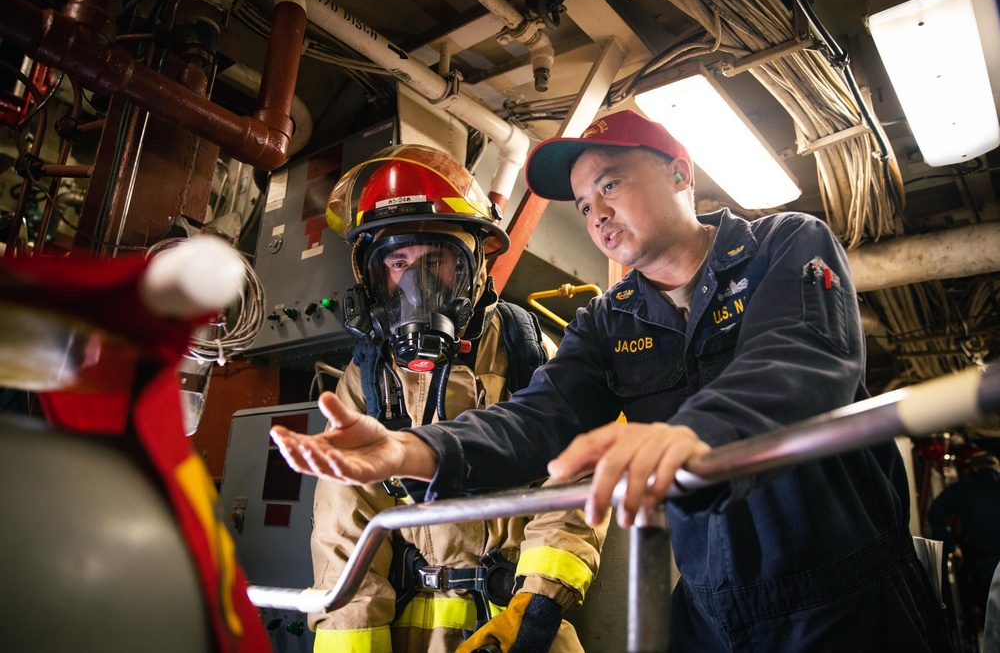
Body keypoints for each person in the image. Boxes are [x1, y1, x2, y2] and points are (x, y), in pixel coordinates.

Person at [273, 110, 951, 652]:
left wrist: (690, 434)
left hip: (846, 594)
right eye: (582, 200)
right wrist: (418, 452)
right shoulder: (608, 319)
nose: (593, 212)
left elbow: (800, 359)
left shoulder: (785, 245)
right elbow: (539, 416)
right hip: (715, 610)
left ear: (680, 172)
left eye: (610, 183)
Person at [308, 144, 606, 652]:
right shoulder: (367, 379)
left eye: (437, 259)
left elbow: (575, 487)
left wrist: (536, 608)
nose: (417, 283)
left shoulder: (531, 354)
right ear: (375, 277)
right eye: (399, 261)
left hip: (518, 625)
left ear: (476, 266)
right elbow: (345, 534)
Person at [929, 451, 1000, 638]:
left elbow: (936, 513)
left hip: (983, 561)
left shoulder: (962, 488)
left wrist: (952, 546)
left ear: (974, 468)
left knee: (993, 615)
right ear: (997, 467)